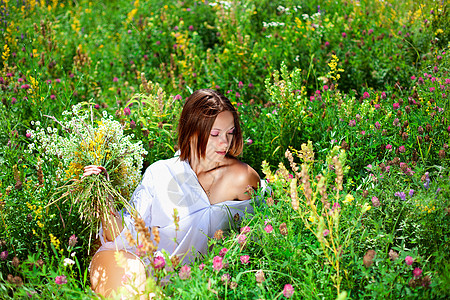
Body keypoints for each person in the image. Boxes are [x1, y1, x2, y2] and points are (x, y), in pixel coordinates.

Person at [84, 89, 260, 297]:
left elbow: (259, 232)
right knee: (130, 293)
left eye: (230, 132)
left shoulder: (242, 178)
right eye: (214, 134)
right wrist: (103, 195)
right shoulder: (161, 171)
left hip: (185, 281)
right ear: (192, 132)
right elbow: (122, 236)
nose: (224, 142)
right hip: (129, 261)